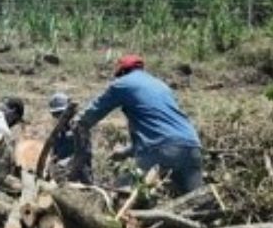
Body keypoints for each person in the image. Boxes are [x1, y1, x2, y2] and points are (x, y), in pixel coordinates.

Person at [75, 54, 203, 194]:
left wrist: (78, 122)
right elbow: (160, 131)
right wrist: (125, 153)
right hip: (192, 146)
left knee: (119, 191)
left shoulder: (122, 84)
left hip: (162, 150)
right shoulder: (161, 85)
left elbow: (96, 110)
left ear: (122, 72)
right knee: (195, 200)